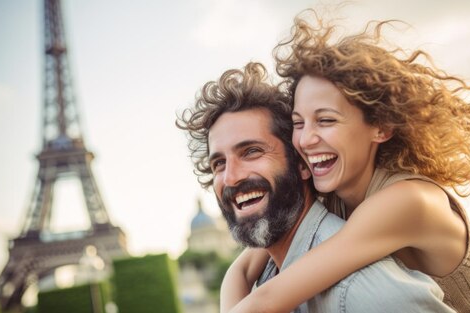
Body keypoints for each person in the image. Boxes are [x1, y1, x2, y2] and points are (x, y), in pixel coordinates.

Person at [223, 12, 470, 313]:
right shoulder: (333, 188)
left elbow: (269, 299)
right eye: (299, 123)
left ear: (381, 127)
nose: (307, 139)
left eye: (325, 120)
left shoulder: (409, 200)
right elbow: (241, 271)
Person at [176, 62, 455, 313]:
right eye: (218, 164)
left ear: (302, 165)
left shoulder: (361, 289)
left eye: (251, 151)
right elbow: (242, 271)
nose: (231, 178)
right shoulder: (273, 259)